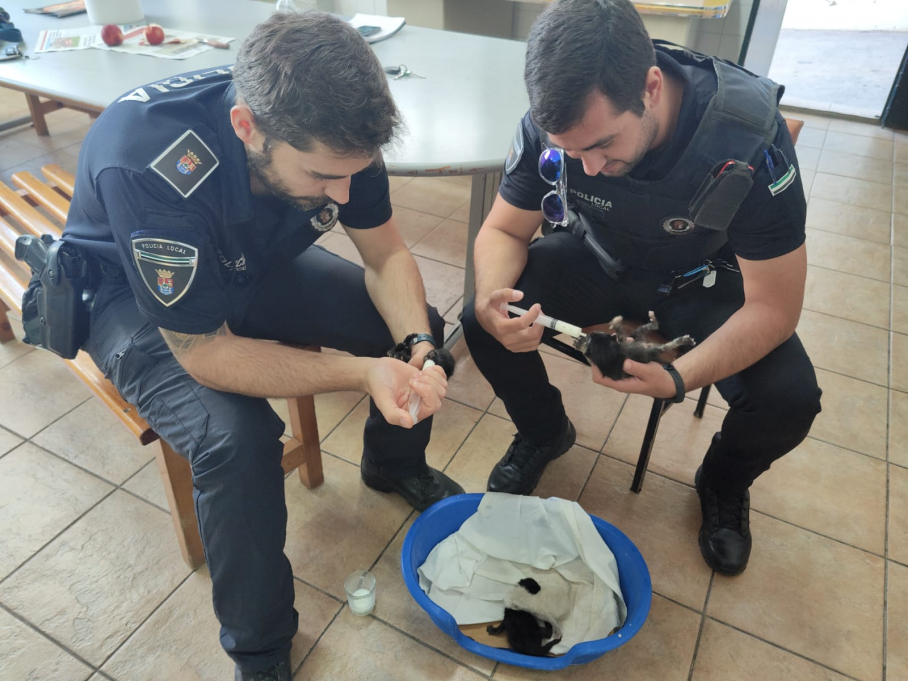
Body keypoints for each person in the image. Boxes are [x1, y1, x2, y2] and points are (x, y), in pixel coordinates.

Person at [62, 12, 463, 680]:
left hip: (245, 259)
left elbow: (386, 252)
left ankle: (391, 463)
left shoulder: (339, 131)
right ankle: (259, 645)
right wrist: (362, 371)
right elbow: (204, 352)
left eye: (352, 174)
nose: (342, 193)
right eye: (321, 176)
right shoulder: (149, 163)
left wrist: (414, 343)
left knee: (412, 329)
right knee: (237, 441)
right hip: (131, 297)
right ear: (248, 128)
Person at [462, 0, 822, 578]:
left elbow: (776, 307)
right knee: (480, 319)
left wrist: (681, 375)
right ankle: (544, 431)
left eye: (604, 144)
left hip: (700, 275)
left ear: (651, 86)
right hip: (599, 255)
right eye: (572, 151)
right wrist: (494, 293)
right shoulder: (549, 127)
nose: (590, 165)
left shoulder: (748, 141)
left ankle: (723, 481)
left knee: (789, 400)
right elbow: (505, 227)